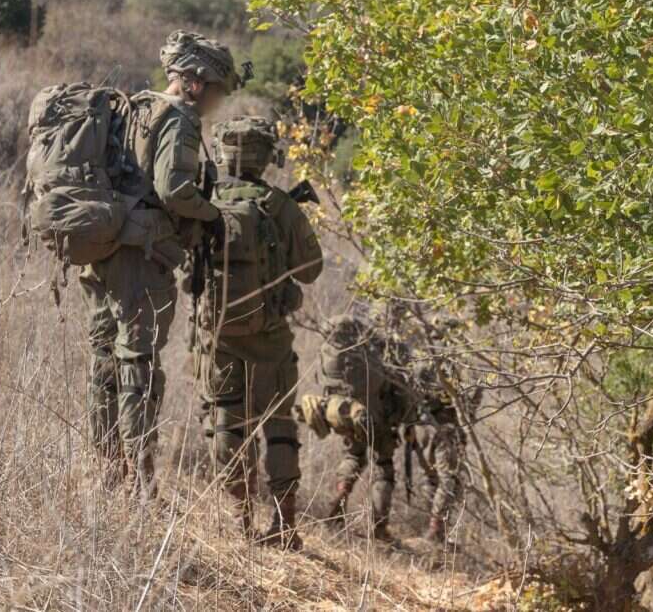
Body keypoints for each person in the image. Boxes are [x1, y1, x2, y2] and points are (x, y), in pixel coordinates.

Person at [81, 30, 242, 498]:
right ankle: (140, 480)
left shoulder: (133, 106)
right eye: (215, 91)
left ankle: (107, 469)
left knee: (105, 361)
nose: (215, 102)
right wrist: (212, 215)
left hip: (103, 251)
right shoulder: (180, 119)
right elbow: (173, 189)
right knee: (139, 364)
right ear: (194, 82)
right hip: (141, 258)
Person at [193, 116, 323, 550]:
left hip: (219, 337)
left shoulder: (205, 200)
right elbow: (312, 270)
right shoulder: (280, 204)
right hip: (272, 340)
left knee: (229, 422)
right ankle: (285, 526)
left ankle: (239, 521)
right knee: (279, 427)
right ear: (267, 156)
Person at [297, 314, 414, 542]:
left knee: (353, 455)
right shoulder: (375, 348)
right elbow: (397, 383)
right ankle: (379, 529)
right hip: (372, 416)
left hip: (341, 413)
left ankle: (338, 503)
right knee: (383, 467)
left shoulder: (332, 351)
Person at [405, 361, 466, 543]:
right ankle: (435, 528)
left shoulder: (419, 362)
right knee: (448, 480)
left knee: (431, 477)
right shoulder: (448, 363)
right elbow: (464, 402)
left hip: (421, 429)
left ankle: (435, 528)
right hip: (443, 429)